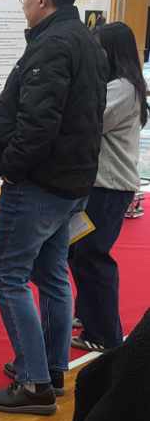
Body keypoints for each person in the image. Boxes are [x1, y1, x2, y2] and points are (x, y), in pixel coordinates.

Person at [0, 0, 109, 416]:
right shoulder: (87, 41)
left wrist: (12, 169)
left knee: (4, 274)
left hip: (40, 183)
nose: (23, 5)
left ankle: (34, 382)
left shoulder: (52, 44)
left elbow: (37, 123)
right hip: (72, 182)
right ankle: (50, 370)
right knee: (51, 274)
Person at [70, 22, 149, 353]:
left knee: (92, 255)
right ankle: (89, 314)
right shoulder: (121, 86)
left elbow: (89, 121)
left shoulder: (122, 89)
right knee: (79, 252)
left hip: (108, 186)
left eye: (100, 49)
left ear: (113, 52)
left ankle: (104, 334)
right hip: (101, 185)